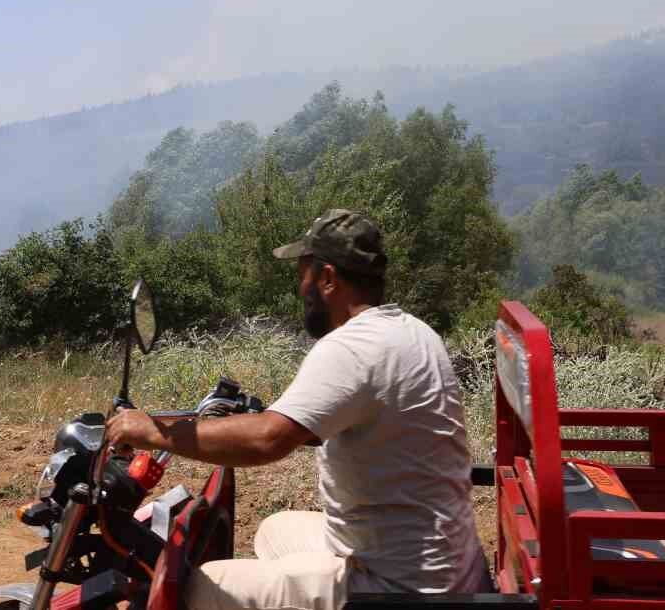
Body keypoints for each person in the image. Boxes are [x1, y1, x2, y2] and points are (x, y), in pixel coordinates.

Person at [105, 209, 490, 610]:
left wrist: (152, 431)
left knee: (205, 586)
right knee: (274, 530)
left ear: (327, 278)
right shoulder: (410, 330)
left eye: (302, 274)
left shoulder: (351, 348)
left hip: (401, 586)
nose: (299, 287)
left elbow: (268, 439)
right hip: (439, 559)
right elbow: (324, 418)